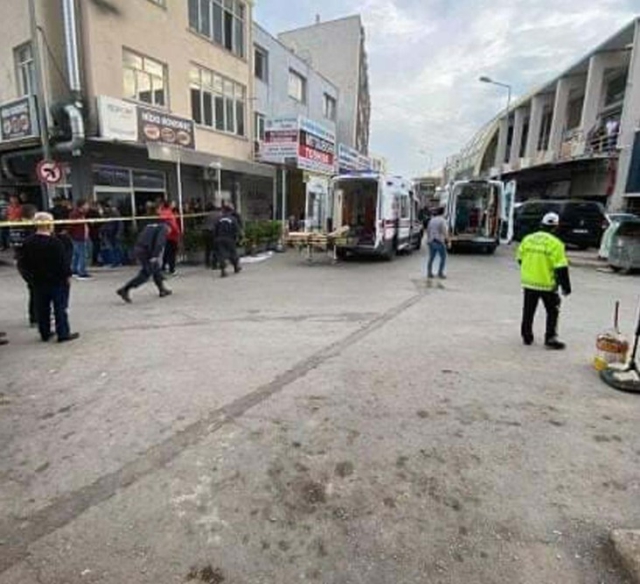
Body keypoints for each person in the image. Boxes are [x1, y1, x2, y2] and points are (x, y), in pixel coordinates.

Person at [17, 213, 79, 343]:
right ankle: (63, 333)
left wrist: (29, 278)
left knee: (42, 308)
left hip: (38, 280)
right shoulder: (55, 242)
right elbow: (62, 262)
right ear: (49, 224)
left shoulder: (28, 242)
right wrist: (67, 275)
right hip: (57, 280)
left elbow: (22, 263)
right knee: (60, 307)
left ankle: (44, 332)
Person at [517, 212, 571, 350]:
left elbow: (520, 259)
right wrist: (566, 287)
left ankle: (526, 336)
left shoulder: (528, 239)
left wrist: (530, 270)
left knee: (528, 310)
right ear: (556, 226)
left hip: (529, 282)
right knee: (553, 310)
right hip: (547, 284)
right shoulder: (556, 244)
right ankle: (550, 338)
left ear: (542, 224)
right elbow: (561, 268)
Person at [116, 222, 172, 303]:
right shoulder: (164, 228)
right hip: (146, 252)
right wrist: (155, 255)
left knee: (155, 269)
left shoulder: (150, 226)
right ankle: (125, 289)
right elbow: (159, 242)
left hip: (140, 248)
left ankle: (162, 289)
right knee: (146, 273)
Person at [13, 205, 38, 326]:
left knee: (33, 289)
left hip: (21, 260)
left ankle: (35, 316)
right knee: (36, 290)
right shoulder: (29, 228)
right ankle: (35, 317)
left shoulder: (15, 226)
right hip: (29, 261)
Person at [214, 205, 242, 278]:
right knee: (233, 253)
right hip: (230, 238)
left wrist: (216, 238)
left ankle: (223, 270)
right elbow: (237, 229)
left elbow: (215, 229)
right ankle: (236, 267)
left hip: (220, 238)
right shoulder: (233, 219)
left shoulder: (219, 219)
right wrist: (238, 237)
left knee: (221, 254)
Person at [68, 199, 91, 279]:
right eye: (86, 204)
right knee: (82, 254)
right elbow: (72, 225)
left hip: (80, 236)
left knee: (76, 254)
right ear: (82, 205)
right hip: (78, 236)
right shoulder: (75, 214)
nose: (88, 206)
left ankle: (74, 270)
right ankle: (82, 271)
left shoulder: (81, 214)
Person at [426, 207, 449, 279]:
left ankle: (429, 273)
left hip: (431, 241)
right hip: (439, 241)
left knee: (431, 258)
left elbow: (428, 230)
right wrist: (448, 241)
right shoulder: (442, 220)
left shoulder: (431, 220)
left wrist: (428, 240)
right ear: (443, 213)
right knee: (443, 257)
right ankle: (440, 273)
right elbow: (444, 231)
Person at [158, 200, 180, 275]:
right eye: (173, 204)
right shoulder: (169, 214)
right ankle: (171, 269)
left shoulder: (162, 213)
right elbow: (173, 225)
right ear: (170, 205)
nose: (174, 205)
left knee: (166, 252)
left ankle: (163, 267)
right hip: (172, 235)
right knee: (172, 253)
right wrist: (177, 232)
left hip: (165, 235)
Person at [202, 203, 222, 269]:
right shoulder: (218, 214)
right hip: (212, 232)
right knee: (216, 248)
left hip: (205, 232)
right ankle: (214, 264)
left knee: (207, 248)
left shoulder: (207, 214)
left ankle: (207, 263)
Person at [86, 201, 103, 266]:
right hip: (95, 232)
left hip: (92, 232)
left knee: (95, 246)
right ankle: (95, 260)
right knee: (96, 246)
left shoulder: (89, 213)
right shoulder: (93, 213)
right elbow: (100, 222)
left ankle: (95, 260)